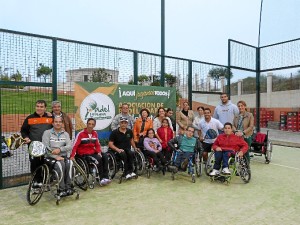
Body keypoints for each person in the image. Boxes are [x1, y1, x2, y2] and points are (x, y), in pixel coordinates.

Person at [70, 118, 111, 186]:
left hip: (93, 152)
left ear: (94, 125)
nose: (90, 126)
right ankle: (101, 179)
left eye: (92, 124)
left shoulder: (95, 133)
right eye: (89, 124)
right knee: (98, 158)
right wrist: (72, 156)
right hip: (84, 154)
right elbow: (75, 146)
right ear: (87, 124)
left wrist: (99, 152)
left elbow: (97, 144)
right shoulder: (81, 134)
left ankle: (105, 177)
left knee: (105, 156)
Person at [21, 100, 53, 181]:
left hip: (47, 146)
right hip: (34, 146)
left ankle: (46, 181)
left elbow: (57, 126)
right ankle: (35, 183)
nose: (39, 108)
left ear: (45, 108)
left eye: (41, 107)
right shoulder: (30, 118)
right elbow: (23, 130)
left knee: (46, 163)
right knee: (35, 165)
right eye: (37, 106)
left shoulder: (50, 117)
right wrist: (26, 137)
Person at [42, 116, 73, 196]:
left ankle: (68, 187)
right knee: (60, 164)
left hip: (62, 155)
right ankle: (61, 189)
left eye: (60, 122)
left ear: (62, 124)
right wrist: (55, 156)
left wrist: (60, 149)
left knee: (70, 162)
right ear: (53, 123)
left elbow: (69, 146)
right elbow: (45, 147)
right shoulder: (47, 133)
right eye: (56, 122)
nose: (58, 123)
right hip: (50, 157)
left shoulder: (65, 134)